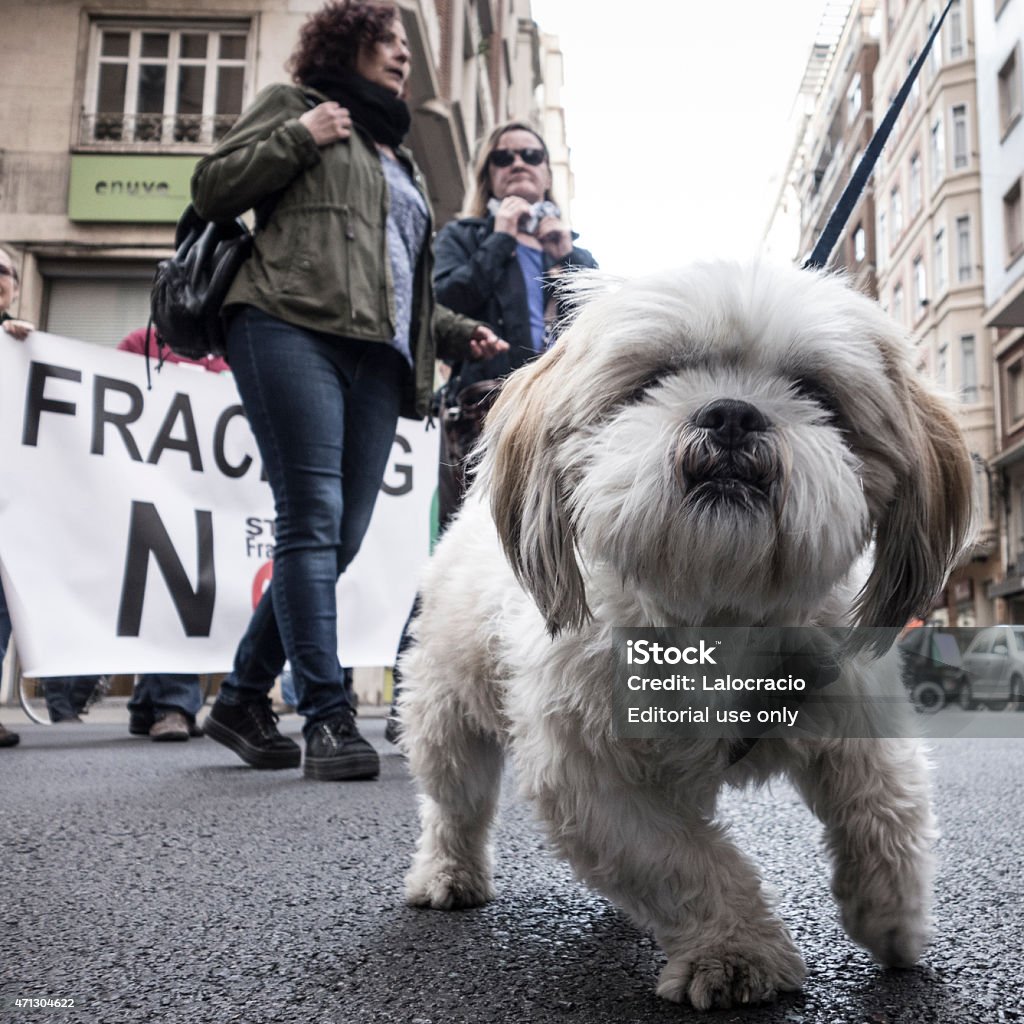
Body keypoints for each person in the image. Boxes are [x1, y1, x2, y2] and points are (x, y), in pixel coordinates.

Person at [191, 0, 505, 782]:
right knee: (313, 515)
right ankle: (327, 715)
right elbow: (211, 187)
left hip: (381, 357)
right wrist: (301, 137)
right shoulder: (299, 109)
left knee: (344, 533)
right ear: (348, 43)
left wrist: (456, 331)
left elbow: (399, 280)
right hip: (286, 325)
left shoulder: (397, 156)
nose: (402, 56)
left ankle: (238, 697)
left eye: (405, 45)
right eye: (389, 43)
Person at [384, 123, 597, 743]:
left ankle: (559, 693)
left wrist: (566, 257)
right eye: (503, 158)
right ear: (487, 175)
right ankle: (423, 701)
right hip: (483, 416)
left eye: (531, 155)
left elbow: (609, 336)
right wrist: (502, 239)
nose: (518, 166)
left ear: (548, 170)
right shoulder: (467, 237)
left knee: (565, 551)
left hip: (566, 426)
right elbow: (443, 301)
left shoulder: (571, 249)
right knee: (466, 556)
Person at [118, 327, 228, 740]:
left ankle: (148, 702)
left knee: (188, 593)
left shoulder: (224, 358)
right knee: (174, 591)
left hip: (204, 497)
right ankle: (175, 704)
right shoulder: (138, 344)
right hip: (153, 489)